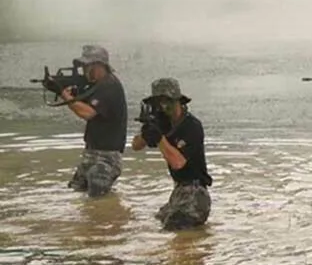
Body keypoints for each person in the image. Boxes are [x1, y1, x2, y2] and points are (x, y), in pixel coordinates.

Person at [42, 44, 127, 198]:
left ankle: (109, 220)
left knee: (98, 198)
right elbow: (82, 105)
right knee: (76, 192)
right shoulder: (98, 85)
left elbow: (86, 113)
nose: (85, 70)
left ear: (100, 66)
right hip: (91, 153)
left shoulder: (110, 86)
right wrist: (69, 92)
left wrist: (63, 93)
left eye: (88, 66)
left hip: (107, 157)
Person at [131, 78, 213, 230]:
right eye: (159, 102)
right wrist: (147, 132)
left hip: (196, 193)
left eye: (167, 101)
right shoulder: (163, 123)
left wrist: (159, 138)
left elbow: (178, 163)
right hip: (178, 192)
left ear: (178, 101)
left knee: (172, 229)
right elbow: (135, 146)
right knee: (155, 221)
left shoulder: (192, 125)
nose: (163, 106)